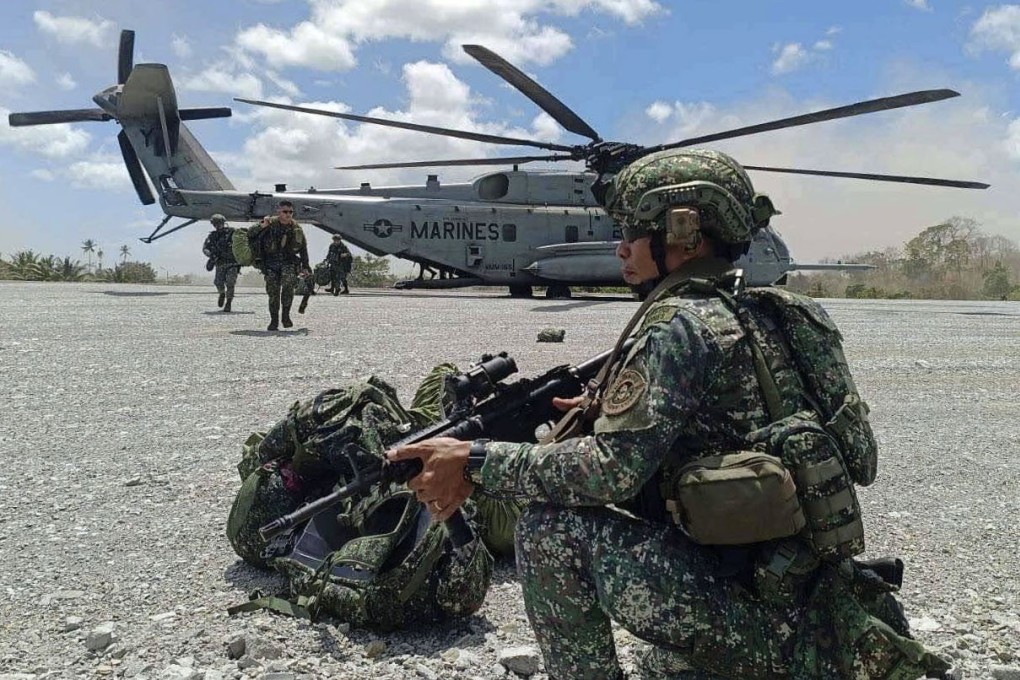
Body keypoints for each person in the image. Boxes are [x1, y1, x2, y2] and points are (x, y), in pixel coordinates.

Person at [387, 149, 949, 679]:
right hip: (812, 595)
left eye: (633, 233)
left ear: (684, 233)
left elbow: (608, 474)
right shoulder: (789, 314)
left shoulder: (678, 326)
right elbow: (860, 459)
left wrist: (475, 459)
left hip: (759, 617)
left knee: (548, 527)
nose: (621, 249)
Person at [250, 200, 310, 331]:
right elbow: (250, 233)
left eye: (291, 212)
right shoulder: (269, 223)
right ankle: (274, 320)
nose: (288, 214)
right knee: (273, 293)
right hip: (270, 263)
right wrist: (261, 226)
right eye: (285, 211)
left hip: (288, 262)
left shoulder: (296, 229)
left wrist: (306, 266)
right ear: (279, 211)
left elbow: (303, 248)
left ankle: (286, 316)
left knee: (288, 287)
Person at [201, 214, 239, 312]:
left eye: (219, 223)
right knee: (218, 282)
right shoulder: (212, 236)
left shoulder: (232, 233)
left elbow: (241, 244)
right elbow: (205, 248)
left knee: (230, 282)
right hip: (220, 263)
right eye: (215, 224)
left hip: (232, 263)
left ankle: (228, 303)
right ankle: (222, 293)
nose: (217, 226)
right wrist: (211, 255)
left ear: (223, 223)